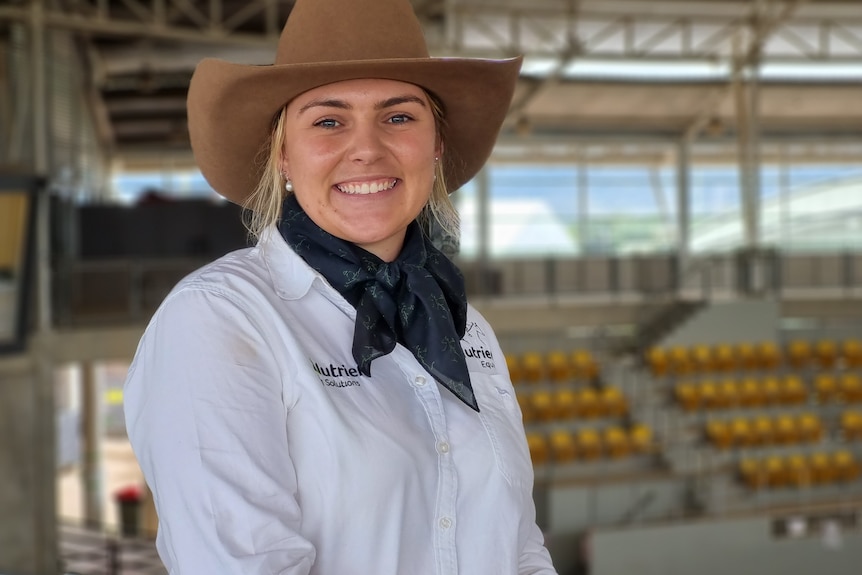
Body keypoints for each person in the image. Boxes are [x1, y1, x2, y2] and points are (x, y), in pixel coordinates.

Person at [123, 0, 558, 573]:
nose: (367, 149)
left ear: (436, 147)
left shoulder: (465, 325)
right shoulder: (220, 319)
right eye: (329, 121)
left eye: (399, 117)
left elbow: (519, 545)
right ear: (282, 154)